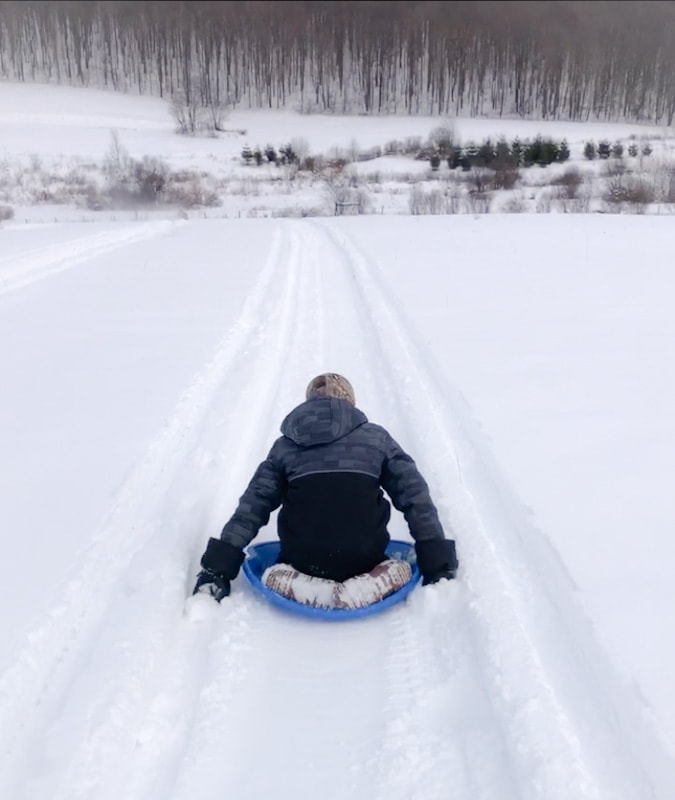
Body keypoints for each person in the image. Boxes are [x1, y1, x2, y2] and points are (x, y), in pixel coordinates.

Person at [193, 373, 458, 603]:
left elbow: (253, 505)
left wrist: (217, 568)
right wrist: (437, 561)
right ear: (350, 402)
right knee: (399, 566)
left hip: (302, 560)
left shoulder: (285, 446)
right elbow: (414, 496)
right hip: (365, 559)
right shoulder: (377, 438)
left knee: (273, 568)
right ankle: (369, 584)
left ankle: (291, 581)